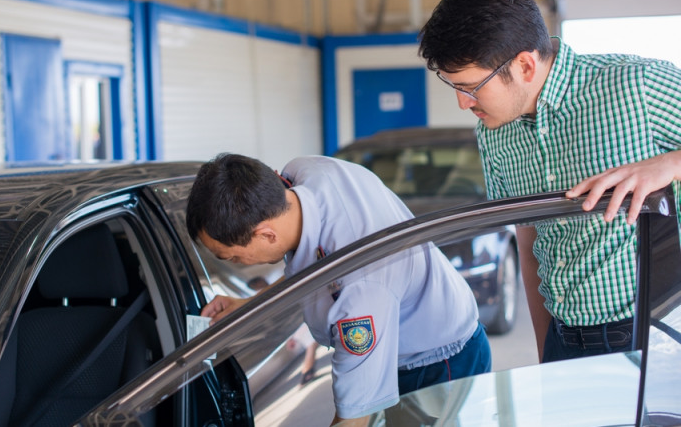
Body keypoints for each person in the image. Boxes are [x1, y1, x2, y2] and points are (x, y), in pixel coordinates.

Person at [418, 0, 681, 363]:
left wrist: (670, 163)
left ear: (525, 64)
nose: (462, 102)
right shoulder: (494, 132)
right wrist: (546, 355)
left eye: (472, 87)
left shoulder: (634, 86)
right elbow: (529, 246)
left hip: (654, 338)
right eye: (453, 85)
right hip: (563, 341)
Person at [186, 153, 491, 426]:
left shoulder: (361, 286)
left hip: (439, 364)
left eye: (234, 257)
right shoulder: (301, 174)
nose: (239, 264)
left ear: (266, 234)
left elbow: (353, 419)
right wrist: (249, 303)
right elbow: (312, 267)